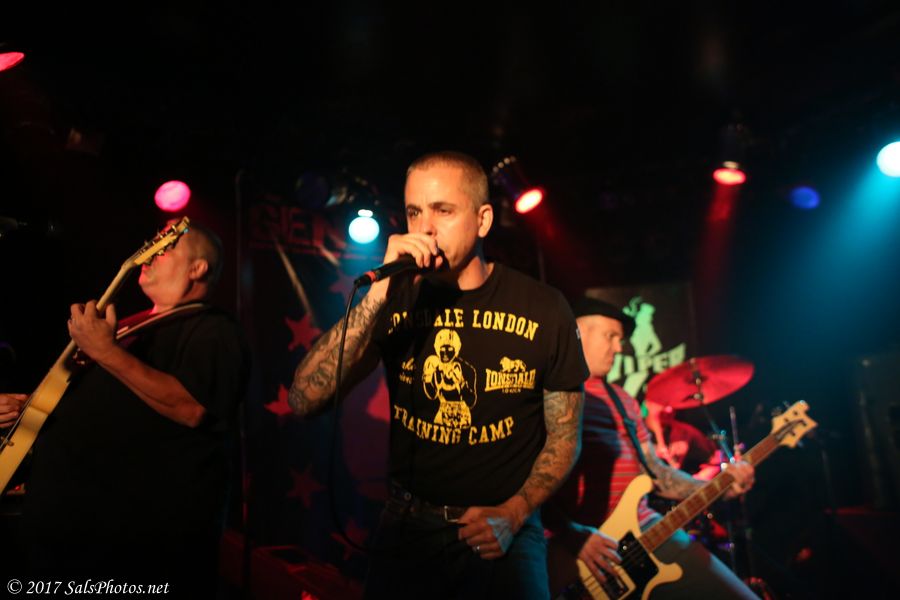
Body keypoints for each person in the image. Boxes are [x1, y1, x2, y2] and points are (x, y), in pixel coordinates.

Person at [288, 150, 589, 598]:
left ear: (483, 220)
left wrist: (514, 512)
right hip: (408, 526)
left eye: (443, 211)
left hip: (504, 528)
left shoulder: (543, 307)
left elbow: (564, 437)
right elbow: (303, 398)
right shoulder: (396, 298)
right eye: (414, 212)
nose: (425, 228)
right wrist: (377, 297)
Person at [2, 220, 249, 596]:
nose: (150, 253)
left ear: (197, 268)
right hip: (64, 546)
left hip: (133, 554)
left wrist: (105, 351)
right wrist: (24, 409)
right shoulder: (129, 330)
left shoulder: (214, 329)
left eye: (166, 248)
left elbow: (192, 407)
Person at [544, 296, 757, 599]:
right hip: (577, 546)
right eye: (610, 336)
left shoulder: (623, 400)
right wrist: (571, 535)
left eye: (620, 339)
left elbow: (655, 471)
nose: (619, 348)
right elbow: (522, 481)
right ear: (577, 333)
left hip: (642, 528)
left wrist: (718, 487)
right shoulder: (545, 395)